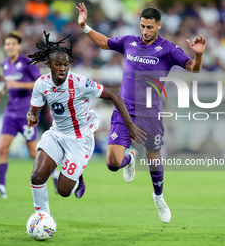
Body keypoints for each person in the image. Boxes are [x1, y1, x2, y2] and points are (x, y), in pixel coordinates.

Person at [76, 3, 206, 223]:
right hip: (124, 110)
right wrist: (85, 27)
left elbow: (194, 67)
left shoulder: (168, 49)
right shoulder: (129, 41)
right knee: (112, 163)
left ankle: (158, 197)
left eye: (149, 27)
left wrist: (199, 55)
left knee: (154, 159)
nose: (145, 31)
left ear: (159, 26)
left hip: (150, 114)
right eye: (143, 26)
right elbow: (105, 43)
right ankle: (130, 159)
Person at [26, 32, 146, 214]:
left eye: (65, 64)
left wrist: (129, 124)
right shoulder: (41, 84)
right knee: (37, 176)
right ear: (49, 64)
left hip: (80, 138)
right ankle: (42, 216)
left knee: (64, 191)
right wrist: (31, 116)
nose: (62, 68)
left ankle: (124, 159)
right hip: (57, 133)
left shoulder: (80, 83)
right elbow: (34, 109)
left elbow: (113, 94)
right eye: (57, 64)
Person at [0, 31, 44, 198]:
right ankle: (1, 188)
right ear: (4, 47)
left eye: (13, 44)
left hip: (27, 114)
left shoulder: (28, 62)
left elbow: (39, 82)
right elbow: (8, 83)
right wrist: (0, 92)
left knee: (34, 152)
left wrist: (18, 84)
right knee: (2, 148)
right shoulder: (5, 64)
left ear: (18, 46)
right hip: (10, 113)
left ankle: (53, 172)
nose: (10, 47)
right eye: (7, 44)